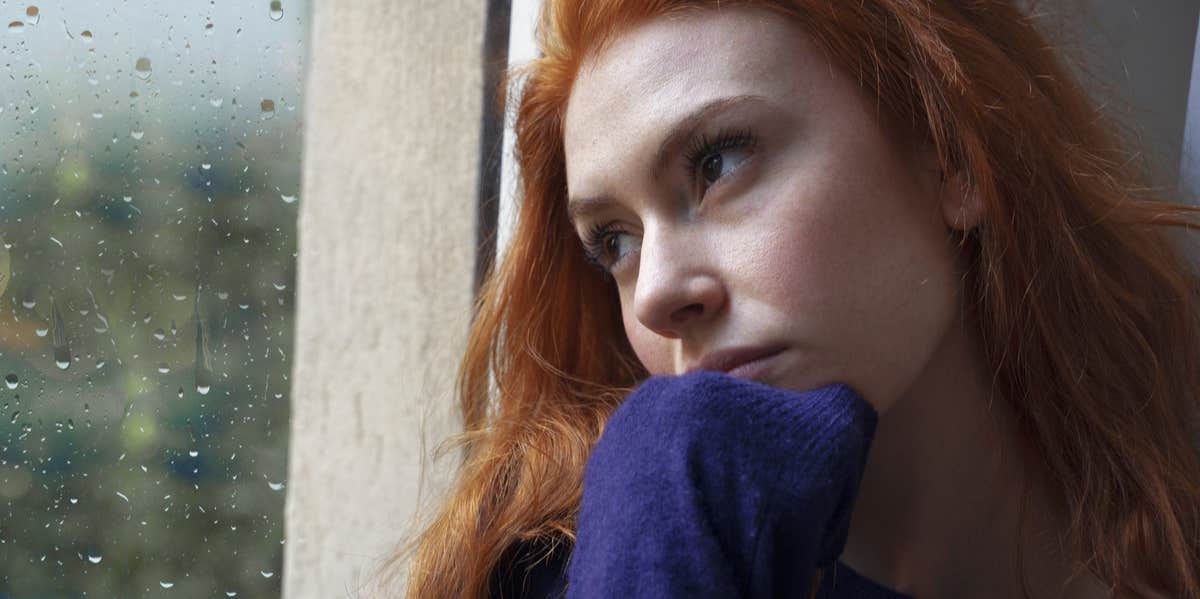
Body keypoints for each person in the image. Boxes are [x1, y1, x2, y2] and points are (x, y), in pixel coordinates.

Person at [385, 1, 1200, 598]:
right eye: (614, 243)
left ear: (948, 151)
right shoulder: (596, 563)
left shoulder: (1171, 535)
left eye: (720, 162)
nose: (659, 293)